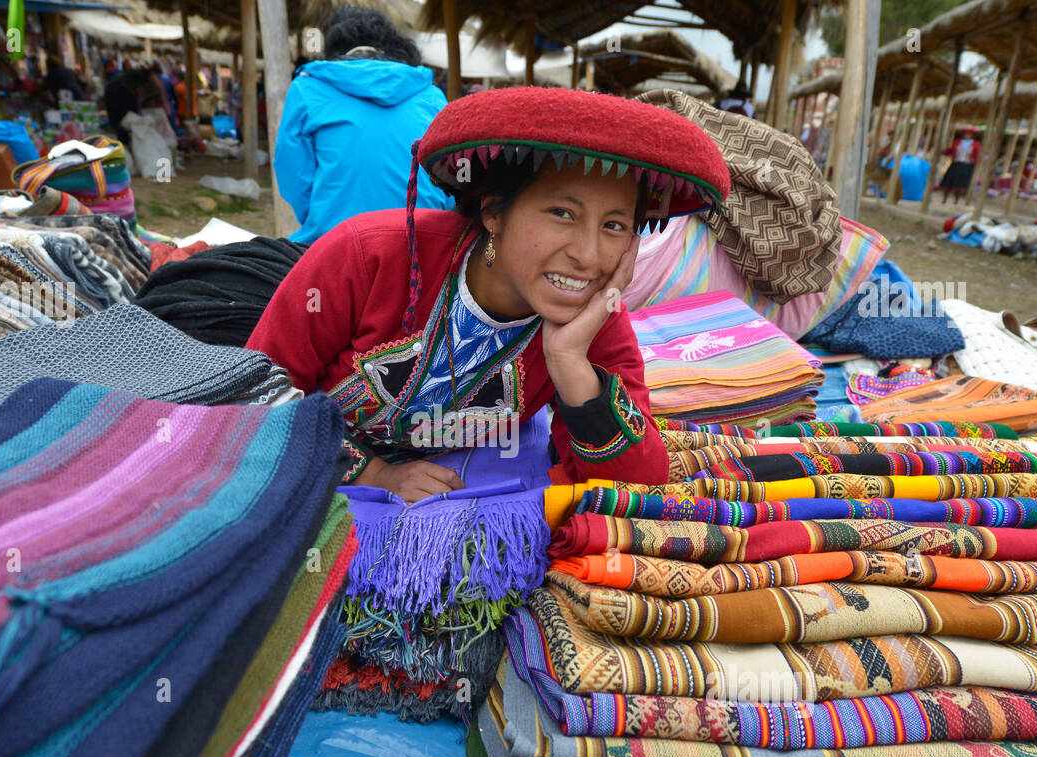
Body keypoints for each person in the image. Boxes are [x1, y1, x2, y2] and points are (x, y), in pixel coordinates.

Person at [247, 86, 730, 502]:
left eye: (614, 225)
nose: (588, 254)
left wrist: (568, 363)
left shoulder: (594, 324)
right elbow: (252, 394)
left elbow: (635, 487)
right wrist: (375, 474)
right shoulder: (368, 256)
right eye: (562, 212)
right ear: (494, 213)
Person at [272, 5, 454, 243]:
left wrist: (325, 216)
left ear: (333, 50)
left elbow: (292, 172)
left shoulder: (307, 90)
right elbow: (451, 180)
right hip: (422, 242)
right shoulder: (431, 96)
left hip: (335, 241)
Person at [937, 126, 980, 202]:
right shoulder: (957, 142)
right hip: (956, 163)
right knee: (949, 181)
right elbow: (950, 150)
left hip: (967, 165)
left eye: (969, 134)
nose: (967, 135)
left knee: (960, 184)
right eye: (966, 134)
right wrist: (943, 151)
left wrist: (975, 162)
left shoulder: (976, 144)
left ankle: (956, 200)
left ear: (972, 135)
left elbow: (977, 155)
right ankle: (944, 199)